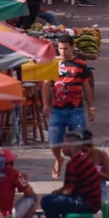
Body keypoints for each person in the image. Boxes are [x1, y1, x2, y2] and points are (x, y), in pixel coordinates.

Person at [42, 35, 95, 178]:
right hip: (57, 110)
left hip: (75, 109)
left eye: (65, 49)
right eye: (60, 49)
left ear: (72, 47)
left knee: (78, 140)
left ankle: (76, 167)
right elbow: (46, 84)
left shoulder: (80, 64)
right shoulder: (53, 63)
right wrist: (46, 104)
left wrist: (91, 107)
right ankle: (58, 159)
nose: (63, 52)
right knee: (54, 141)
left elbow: (86, 86)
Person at [40, 132, 103, 218]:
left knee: (47, 202)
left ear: (70, 145)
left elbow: (67, 191)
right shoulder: (84, 156)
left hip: (86, 202)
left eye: (63, 144)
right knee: (53, 201)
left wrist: (55, 192)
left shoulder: (74, 162)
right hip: (92, 199)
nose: (62, 147)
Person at [0, 149, 39, 218]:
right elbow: (30, 193)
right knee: (34, 198)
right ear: (11, 162)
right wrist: (24, 181)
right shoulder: (13, 174)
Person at [79, 129, 109, 203]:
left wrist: (92, 170)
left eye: (85, 150)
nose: (83, 153)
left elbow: (108, 177)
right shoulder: (79, 156)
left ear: (91, 146)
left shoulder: (102, 155)